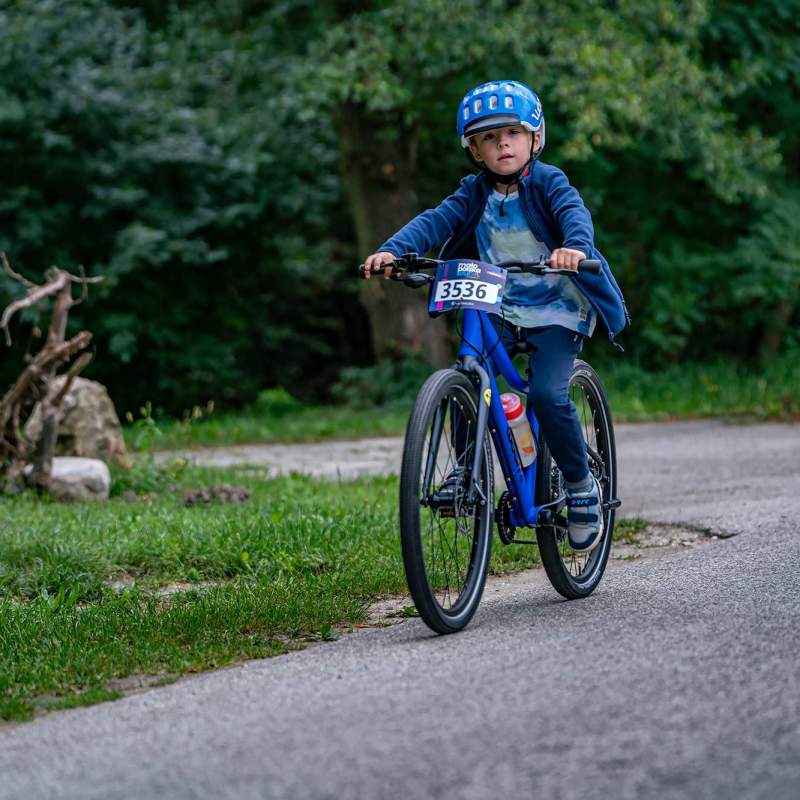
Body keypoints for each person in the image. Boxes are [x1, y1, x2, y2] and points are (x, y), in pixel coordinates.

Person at [361, 80, 628, 552]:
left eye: (512, 133)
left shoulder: (549, 182)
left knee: (547, 396)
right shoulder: (474, 192)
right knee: (470, 374)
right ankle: (467, 467)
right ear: (475, 150)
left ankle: (582, 487)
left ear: (534, 138)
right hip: (499, 304)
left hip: (556, 310)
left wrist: (574, 249)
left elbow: (573, 214)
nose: (502, 143)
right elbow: (434, 221)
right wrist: (392, 250)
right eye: (489, 137)